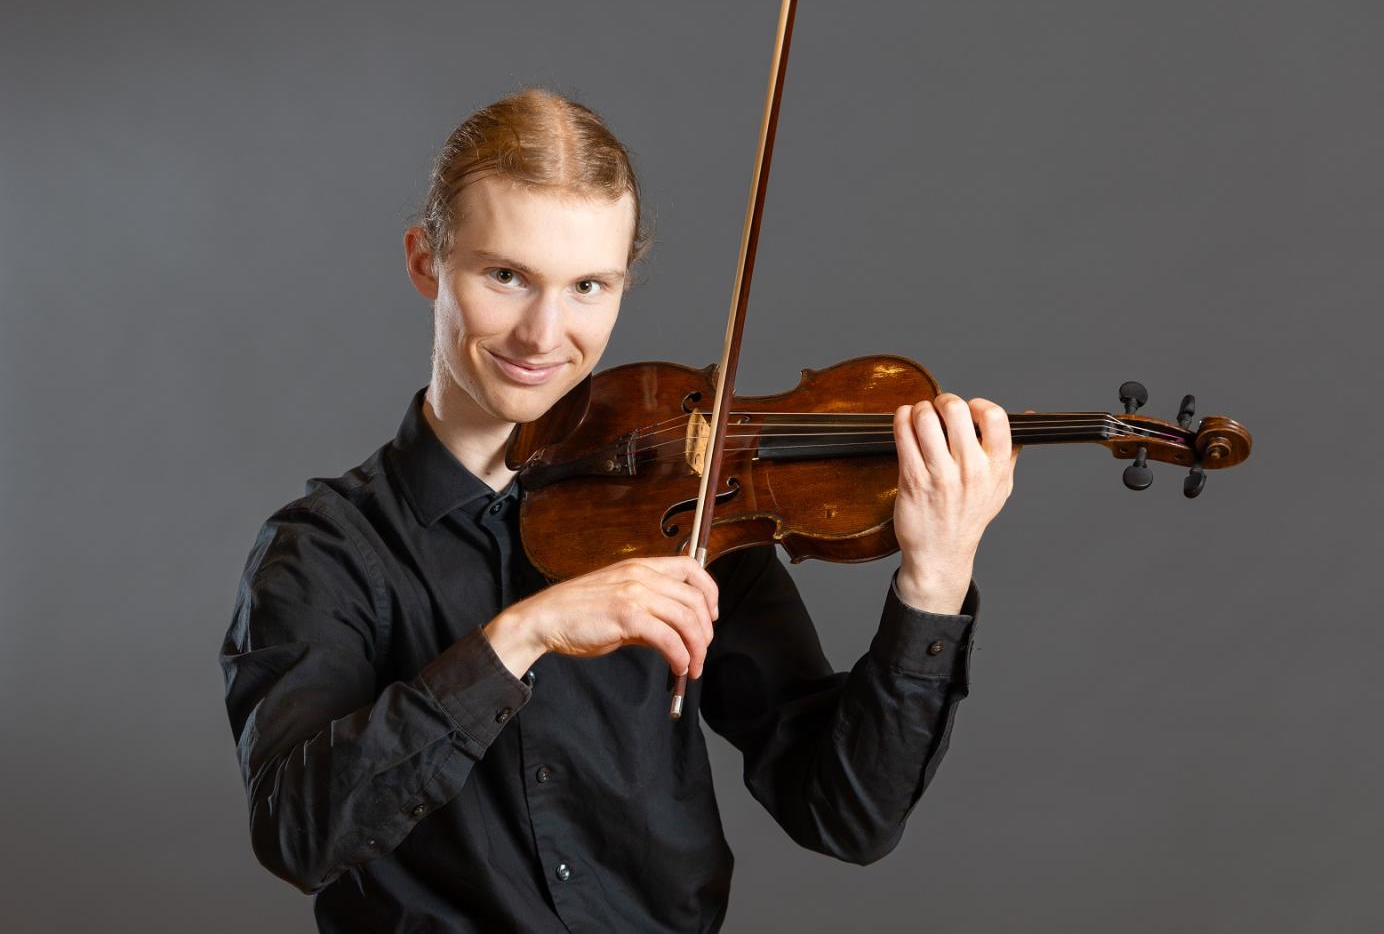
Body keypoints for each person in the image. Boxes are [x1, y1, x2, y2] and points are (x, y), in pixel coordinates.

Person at [220, 89, 1018, 932]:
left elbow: (845, 813)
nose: (544, 333)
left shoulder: (690, 512)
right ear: (426, 262)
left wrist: (934, 577)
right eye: (506, 277)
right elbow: (297, 830)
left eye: (589, 286)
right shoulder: (325, 550)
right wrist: (519, 636)